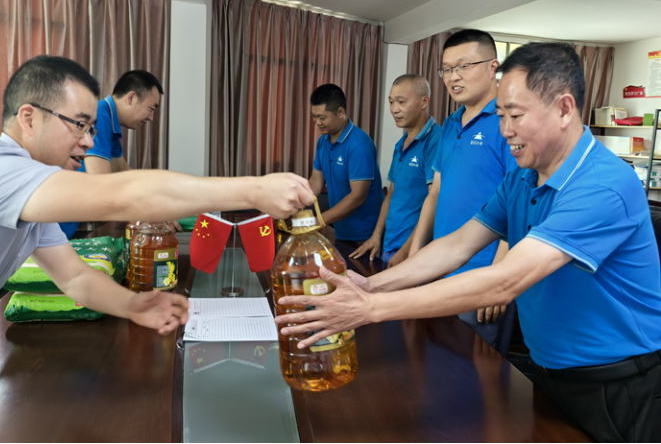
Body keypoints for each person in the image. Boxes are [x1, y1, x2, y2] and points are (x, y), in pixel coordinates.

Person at [276, 43, 661, 443]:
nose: (505, 130)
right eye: (501, 115)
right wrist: (371, 285)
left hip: (614, 383)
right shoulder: (522, 178)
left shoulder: (602, 185)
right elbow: (458, 244)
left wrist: (370, 309)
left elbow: (506, 280)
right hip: (548, 368)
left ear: (564, 109)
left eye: (515, 115)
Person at [0, 55, 314, 334]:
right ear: (29, 118)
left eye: (91, 129)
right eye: (79, 125)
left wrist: (131, 305)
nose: (88, 141)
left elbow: (75, 277)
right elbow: (120, 195)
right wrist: (254, 190)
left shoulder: (29, 192)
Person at [410, 29, 519, 356]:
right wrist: (416, 257)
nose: (453, 77)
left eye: (464, 66)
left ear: (492, 67)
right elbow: (435, 194)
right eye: (446, 69)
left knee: (477, 374)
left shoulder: (509, 123)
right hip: (441, 267)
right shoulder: (450, 125)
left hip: (482, 275)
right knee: (437, 363)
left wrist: (497, 279)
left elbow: (518, 206)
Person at [59, 70, 178, 239]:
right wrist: (149, 211)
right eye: (151, 109)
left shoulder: (108, 119)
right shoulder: (100, 116)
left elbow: (123, 171)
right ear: (131, 98)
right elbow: (102, 184)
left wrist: (155, 200)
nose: (151, 118)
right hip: (53, 222)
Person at [350, 74, 441, 267]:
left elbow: (435, 200)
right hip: (389, 245)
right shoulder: (401, 143)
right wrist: (376, 236)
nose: (394, 109)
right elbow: (391, 195)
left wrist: (407, 251)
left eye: (401, 102)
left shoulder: (436, 141)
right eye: (391, 102)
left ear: (424, 102)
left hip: (414, 251)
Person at [308, 84, 384, 243]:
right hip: (341, 230)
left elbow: (357, 197)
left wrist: (316, 221)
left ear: (340, 112)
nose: (317, 122)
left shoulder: (359, 145)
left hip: (366, 235)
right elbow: (315, 182)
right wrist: (292, 205)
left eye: (322, 117)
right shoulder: (323, 141)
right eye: (314, 116)